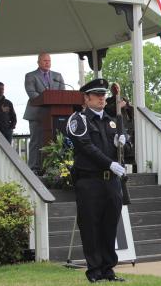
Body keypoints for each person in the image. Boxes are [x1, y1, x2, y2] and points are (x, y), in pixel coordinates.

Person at [66, 78, 126, 283]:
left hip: (111, 182)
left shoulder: (112, 120)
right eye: (97, 95)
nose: (102, 98)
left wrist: (123, 142)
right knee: (91, 227)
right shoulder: (79, 119)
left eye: (104, 95)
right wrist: (109, 163)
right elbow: (86, 146)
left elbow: (122, 151)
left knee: (110, 227)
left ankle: (108, 269)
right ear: (87, 98)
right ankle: (94, 271)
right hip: (90, 181)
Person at [23, 52, 65, 174]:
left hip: (54, 115)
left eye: (49, 61)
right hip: (36, 114)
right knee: (36, 141)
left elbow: (63, 94)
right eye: (45, 61)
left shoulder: (57, 76)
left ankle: (52, 168)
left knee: (54, 141)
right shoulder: (30, 76)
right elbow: (32, 94)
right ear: (39, 62)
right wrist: (48, 101)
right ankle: (33, 168)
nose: (47, 63)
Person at [105, 83, 135, 164]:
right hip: (113, 126)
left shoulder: (124, 99)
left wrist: (128, 106)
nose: (116, 90)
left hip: (125, 125)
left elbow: (131, 114)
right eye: (114, 88)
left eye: (117, 88)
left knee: (126, 144)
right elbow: (108, 111)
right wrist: (118, 106)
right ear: (111, 90)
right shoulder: (108, 101)